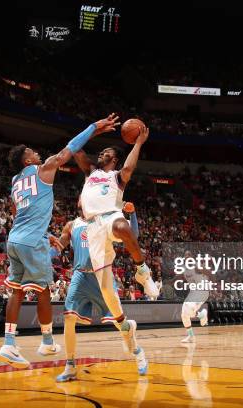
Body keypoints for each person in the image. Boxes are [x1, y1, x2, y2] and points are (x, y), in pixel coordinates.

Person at [0, 114, 119, 368]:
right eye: (31, 151)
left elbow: (17, 212)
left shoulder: (15, 181)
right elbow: (70, 149)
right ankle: (47, 340)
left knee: (17, 290)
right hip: (31, 242)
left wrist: (44, 233)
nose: (36, 153)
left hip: (15, 240)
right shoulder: (45, 168)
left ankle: (9, 342)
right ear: (27, 159)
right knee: (42, 289)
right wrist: (94, 128)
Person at [72, 124, 157, 372]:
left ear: (115, 159)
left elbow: (130, 167)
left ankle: (143, 272)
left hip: (110, 216)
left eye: (107, 152)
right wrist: (95, 130)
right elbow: (75, 148)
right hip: (93, 229)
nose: (101, 154)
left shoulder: (116, 176)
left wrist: (138, 143)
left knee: (122, 226)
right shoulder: (90, 171)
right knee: (108, 292)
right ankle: (129, 335)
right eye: (101, 152)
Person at [56, 205, 144, 382]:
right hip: (80, 275)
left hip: (101, 274)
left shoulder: (105, 222)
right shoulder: (72, 225)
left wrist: (132, 214)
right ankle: (70, 365)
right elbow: (58, 246)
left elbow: (132, 234)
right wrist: (44, 249)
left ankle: (137, 351)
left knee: (120, 324)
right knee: (68, 317)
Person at [179, 250, 210, 344]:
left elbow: (208, 272)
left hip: (202, 291)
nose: (187, 256)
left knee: (189, 308)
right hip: (193, 293)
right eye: (185, 255)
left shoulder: (197, 266)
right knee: (184, 314)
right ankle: (190, 336)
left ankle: (202, 314)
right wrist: (170, 281)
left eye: (189, 255)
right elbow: (179, 276)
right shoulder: (185, 269)